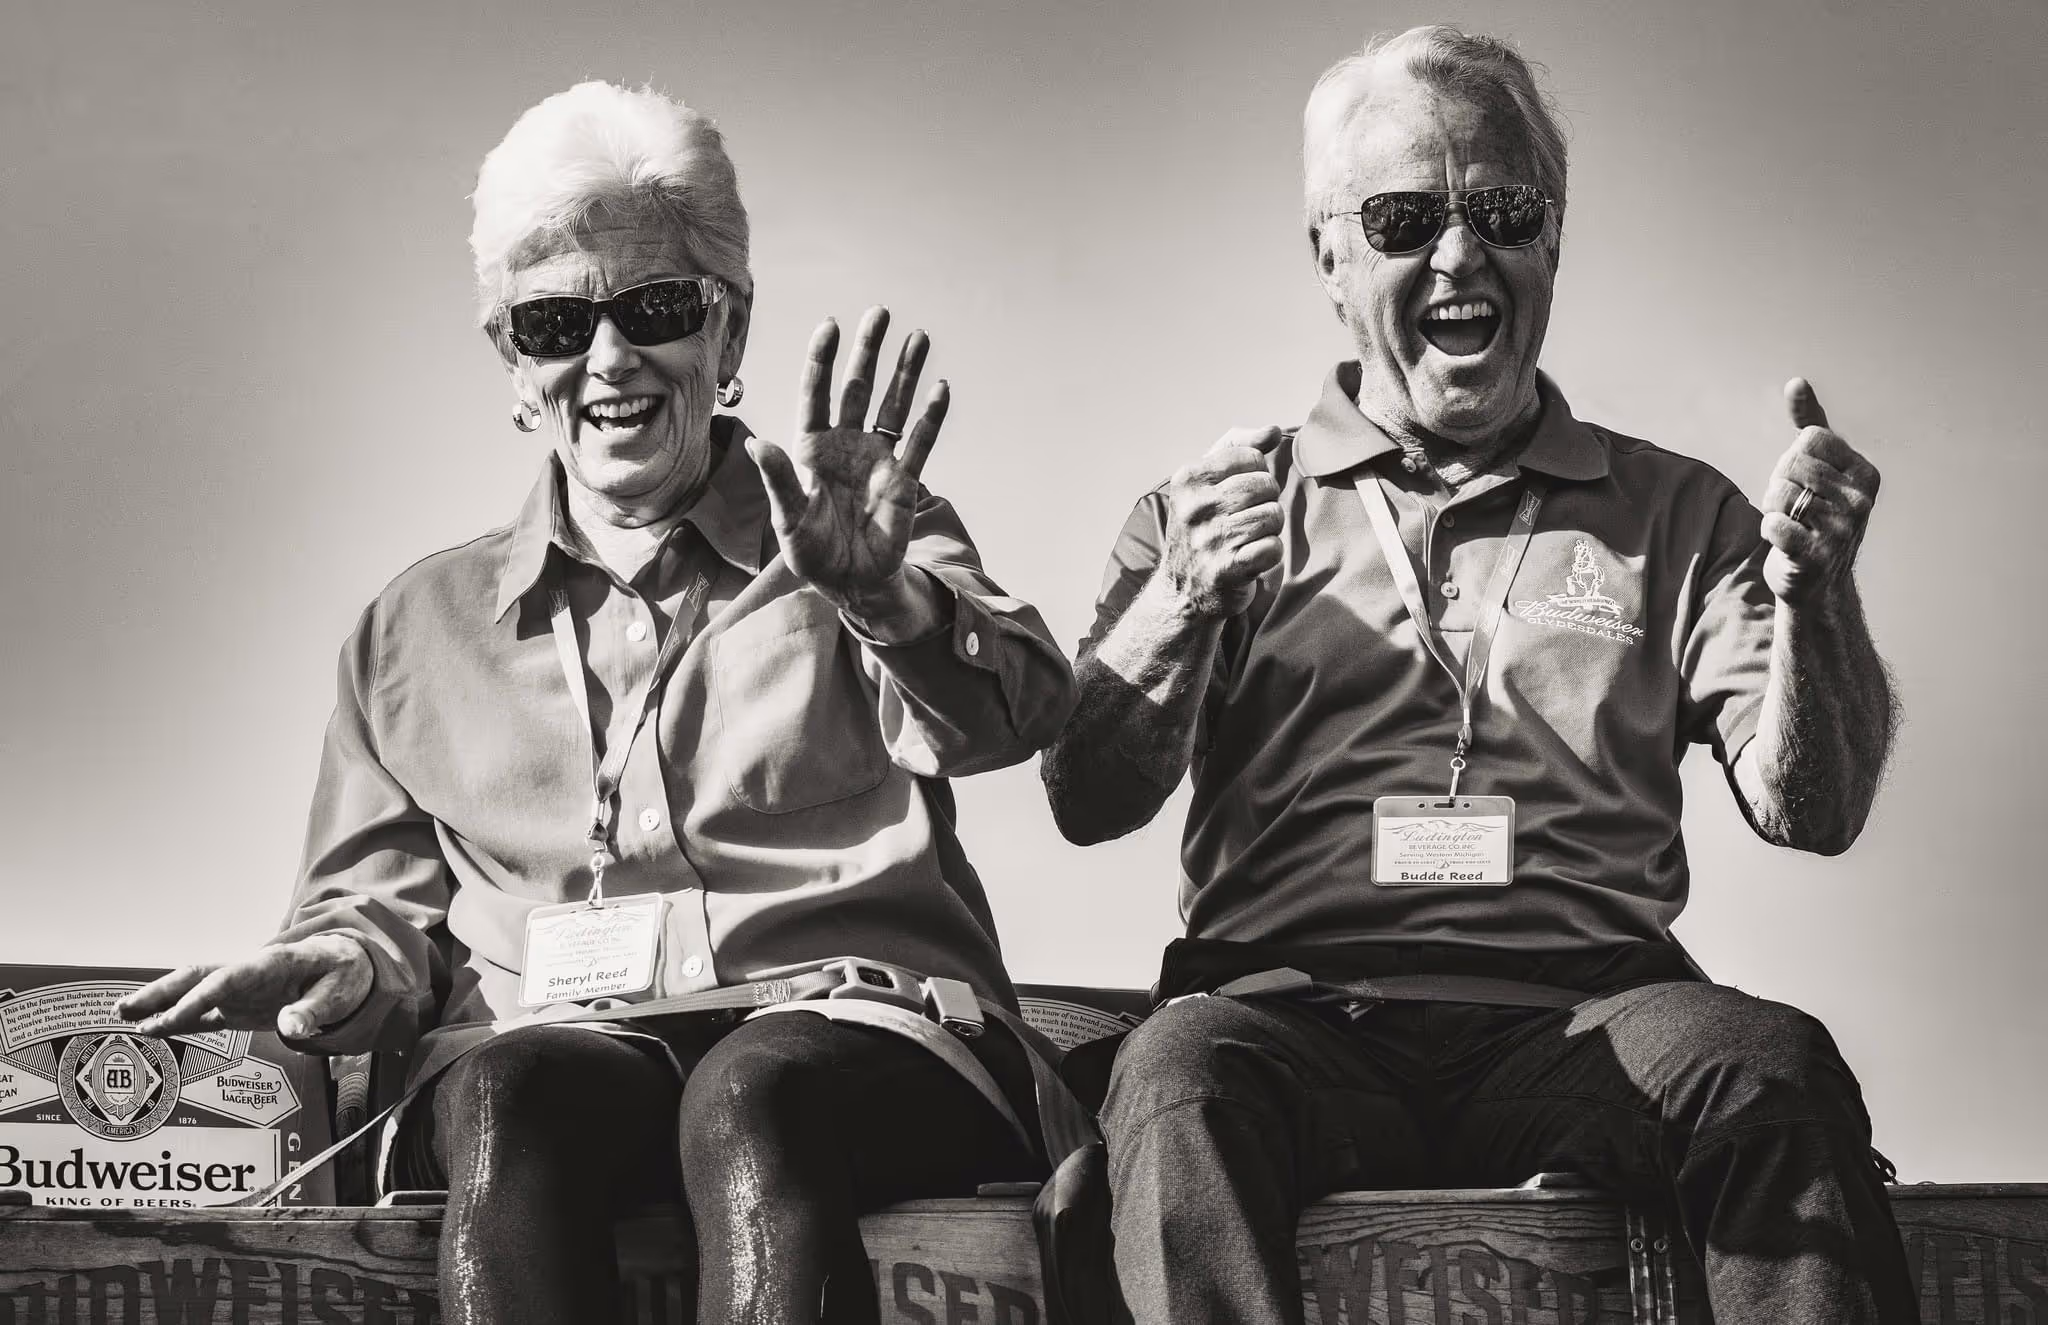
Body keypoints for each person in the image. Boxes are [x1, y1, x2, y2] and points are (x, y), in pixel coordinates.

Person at [115, 81, 1078, 1325]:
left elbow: (1016, 714)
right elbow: (381, 924)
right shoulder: (412, 631)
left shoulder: (856, 539)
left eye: (656, 307)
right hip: (559, 1045)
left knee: (750, 1089)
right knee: (516, 1091)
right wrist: (339, 960)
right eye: (557, 320)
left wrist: (884, 600)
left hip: (850, 1027)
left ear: (727, 337)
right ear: (510, 360)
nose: (609, 357)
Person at [1041, 26, 1913, 1325]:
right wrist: (1175, 611)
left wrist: (1815, 601)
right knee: (1176, 1078)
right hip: (1287, 1014)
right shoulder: (1221, 505)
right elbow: (1085, 794)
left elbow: (1815, 808)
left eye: (1502, 209)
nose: (1459, 253)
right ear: (1329, 257)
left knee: (1770, 1066)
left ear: (1553, 241)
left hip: (1587, 1017)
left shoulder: (1676, 510)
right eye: (1402, 217)